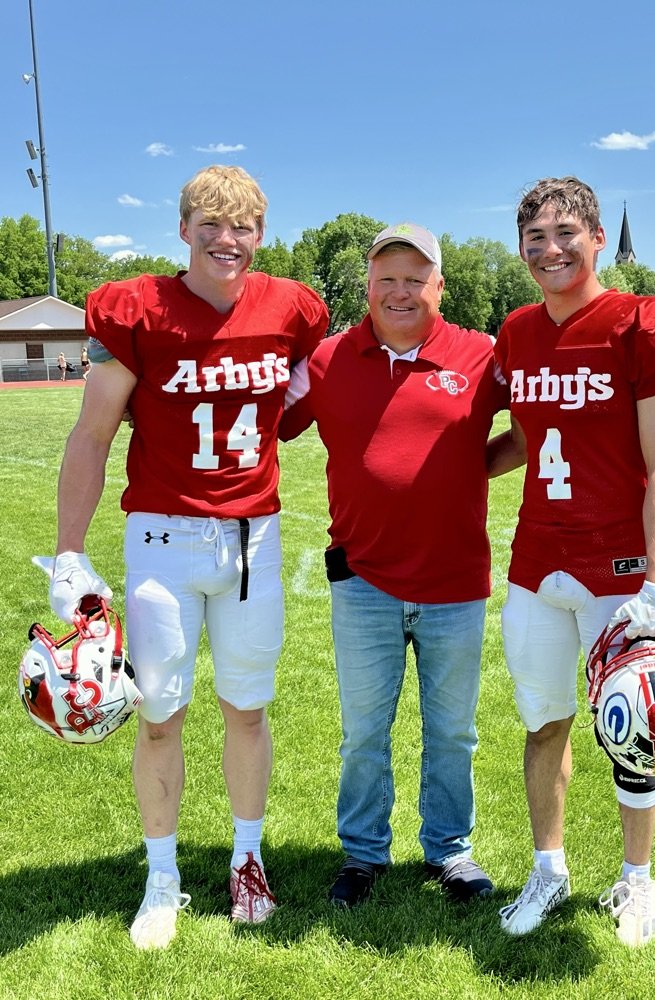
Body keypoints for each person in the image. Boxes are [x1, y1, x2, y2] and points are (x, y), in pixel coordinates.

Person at [41, 165, 329, 949]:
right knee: (160, 715)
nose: (225, 239)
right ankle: (162, 873)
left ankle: (246, 859)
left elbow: (307, 395)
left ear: (261, 235)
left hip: (252, 543)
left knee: (247, 708)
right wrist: (70, 553)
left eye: (241, 226)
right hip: (162, 541)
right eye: (210, 223)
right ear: (183, 230)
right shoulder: (138, 310)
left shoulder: (292, 309)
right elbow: (93, 433)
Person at [487, 176, 655, 945]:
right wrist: (455, 469)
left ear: (598, 238)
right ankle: (549, 870)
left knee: (636, 728)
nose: (550, 249)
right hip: (537, 562)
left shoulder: (643, 323)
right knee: (544, 725)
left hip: (618, 568)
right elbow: (527, 436)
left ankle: (636, 882)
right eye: (535, 237)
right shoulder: (516, 332)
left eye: (565, 233)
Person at [280, 223, 508, 906]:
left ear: (440, 285)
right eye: (387, 279)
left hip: (454, 581)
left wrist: (469, 468)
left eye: (416, 278)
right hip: (364, 581)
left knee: (453, 732)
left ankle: (450, 851)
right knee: (362, 734)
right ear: (368, 287)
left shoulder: (482, 354)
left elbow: (536, 424)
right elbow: (262, 416)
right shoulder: (326, 360)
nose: (400, 291)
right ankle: (362, 855)